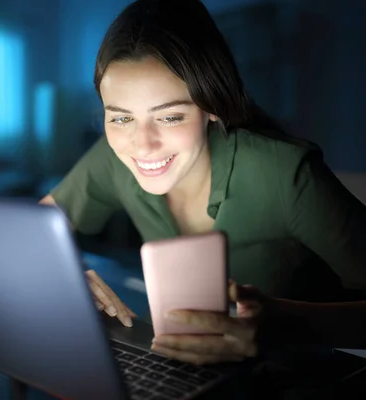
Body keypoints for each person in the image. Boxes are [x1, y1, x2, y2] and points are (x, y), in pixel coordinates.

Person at [40, 0, 366, 365]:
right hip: (183, 369)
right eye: (120, 119)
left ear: (212, 105)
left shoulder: (285, 173)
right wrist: (60, 278)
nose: (142, 145)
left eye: (170, 117)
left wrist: (284, 323)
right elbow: (26, 236)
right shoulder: (113, 158)